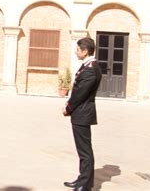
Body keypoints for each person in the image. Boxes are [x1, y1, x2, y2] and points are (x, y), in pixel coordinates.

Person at [62, 37, 102, 191]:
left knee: (85, 150)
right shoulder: (88, 66)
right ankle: (82, 179)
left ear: (85, 52)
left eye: (78, 49)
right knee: (82, 149)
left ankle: (85, 185)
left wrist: (68, 107)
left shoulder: (91, 69)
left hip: (83, 113)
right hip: (81, 113)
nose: (76, 52)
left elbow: (80, 93)